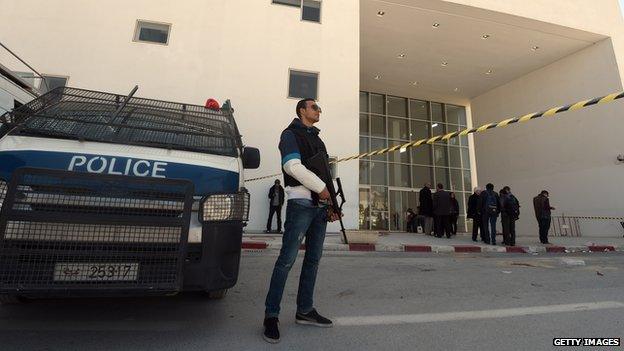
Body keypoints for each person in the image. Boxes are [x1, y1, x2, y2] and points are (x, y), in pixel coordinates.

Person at [263, 98, 339, 344]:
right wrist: (322, 189)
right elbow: (292, 167)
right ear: (302, 110)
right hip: (301, 203)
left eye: (319, 108)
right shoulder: (290, 134)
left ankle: (305, 311)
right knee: (286, 260)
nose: (319, 110)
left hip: (319, 207)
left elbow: (325, 175)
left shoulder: (318, 139)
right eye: (314, 107)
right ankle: (271, 316)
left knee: (313, 261)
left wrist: (331, 204)